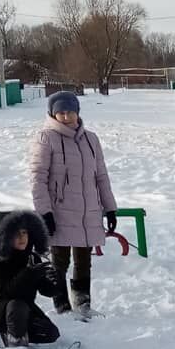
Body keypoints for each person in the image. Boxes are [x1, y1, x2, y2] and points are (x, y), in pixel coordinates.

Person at [28, 91, 117, 317]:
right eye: (61, 113)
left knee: (84, 260)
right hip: (59, 211)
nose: (66, 117)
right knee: (59, 261)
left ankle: (83, 303)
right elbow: (37, 177)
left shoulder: (91, 139)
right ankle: (62, 306)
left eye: (70, 112)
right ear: (53, 114)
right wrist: (44, 212)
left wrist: (110, 207)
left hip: (87, 211)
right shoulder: (46, 138)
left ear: (78, 112)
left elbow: (101, 176)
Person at [0, 210, 60, 347]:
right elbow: (4, 292)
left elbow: (46, 291)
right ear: (6, 237)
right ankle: (16, 345)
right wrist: (28, 274)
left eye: (24, 232)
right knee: (17, 305)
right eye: (15, 234)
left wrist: (55, 281)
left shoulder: (32, 258)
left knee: (50, 333)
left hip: (23, 307)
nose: (21, 238)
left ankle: (16, 330)